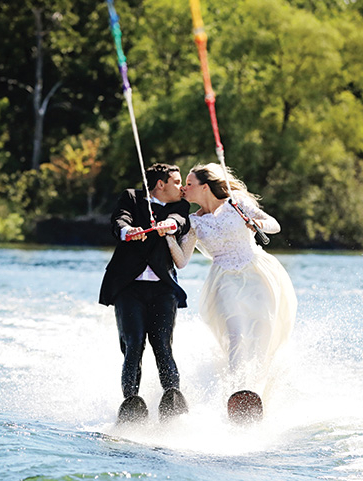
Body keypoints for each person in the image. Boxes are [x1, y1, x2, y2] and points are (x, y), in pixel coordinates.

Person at [166, 163, 297, 400]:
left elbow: (274, 225)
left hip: (257, 271)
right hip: (224, 279)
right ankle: (237, 391)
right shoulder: (193, 222)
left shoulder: (236, 202)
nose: (184, 189)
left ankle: (255, 389)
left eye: (189, 184)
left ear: (205, 187)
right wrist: (168, 239)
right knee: (236, 333)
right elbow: (182, 261)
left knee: (261, 330)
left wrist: (257, 224)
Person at [99, 163, 191, 422]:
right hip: (129, 288)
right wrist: (128, 232)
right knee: (134, 345)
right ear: (160, 184)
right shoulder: (131, 197)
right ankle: (131, 402)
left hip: (163, 290)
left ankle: (173, 398)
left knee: (162, 345)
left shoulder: (179, 206)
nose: (181, 187)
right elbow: (119, 220)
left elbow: (181, 221)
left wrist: (170, 225)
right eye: (176, 181)